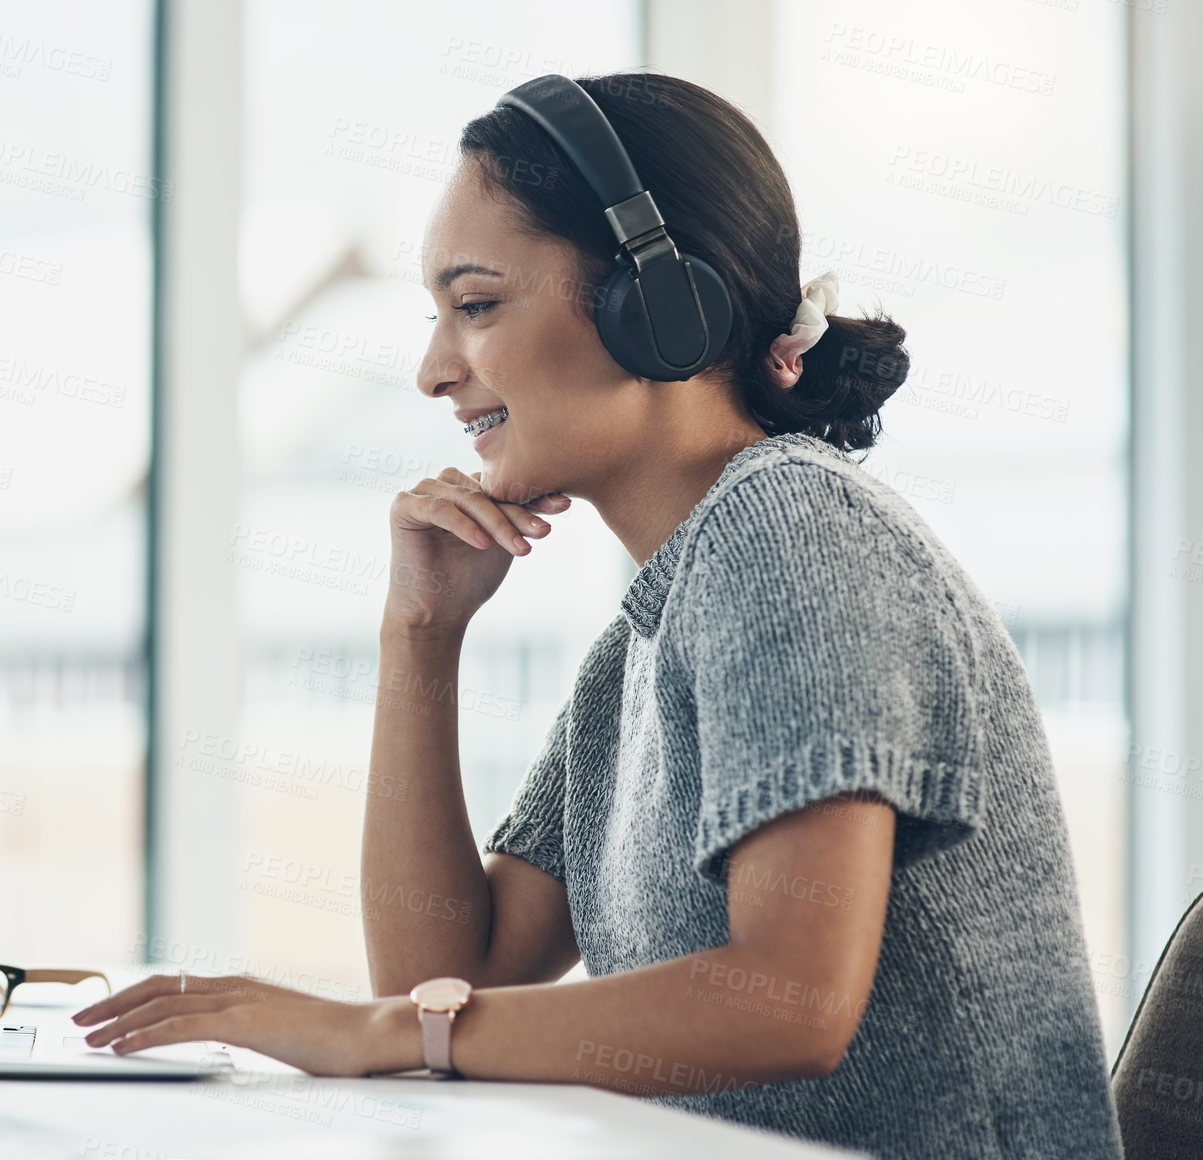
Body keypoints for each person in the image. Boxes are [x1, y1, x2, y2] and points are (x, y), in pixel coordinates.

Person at [72, 71, 1122, 1159]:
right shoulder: (649, 631)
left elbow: (788, 998)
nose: (434, 369)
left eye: (474, 305)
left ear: (655, 305)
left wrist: (373, 1030)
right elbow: (455, 976)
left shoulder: (795, 527)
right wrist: (420, 634)